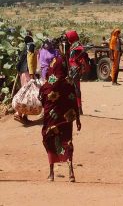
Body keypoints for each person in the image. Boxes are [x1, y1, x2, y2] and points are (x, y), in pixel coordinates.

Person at [39, 54, 81, 182]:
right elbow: (75, 102)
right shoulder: (69, 83)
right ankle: (71, 173)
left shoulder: (48, 84)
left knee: (50, 140)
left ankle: (51, 173)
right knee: (67, 140)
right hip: (66, 120)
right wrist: (78, 119)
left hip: (51, 120)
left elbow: (42, 99)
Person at [65, 30, 89, 114]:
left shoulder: (76, 45)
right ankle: (77, 108)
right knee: (75, 88)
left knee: (75, 88)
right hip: (74, 69)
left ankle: (78, 108)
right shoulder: (73, 45)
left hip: (74, 69)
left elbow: (82, 51)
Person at [14, 35, 36, 124]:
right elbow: (30, 61)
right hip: (27, 72)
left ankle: (24, 116)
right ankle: (18, 113)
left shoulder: (24, 49)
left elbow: (19, 62)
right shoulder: (31, 46)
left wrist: (19, 71)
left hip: (22, 73)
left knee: (25, 93)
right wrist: (31, 75)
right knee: (27, 94)